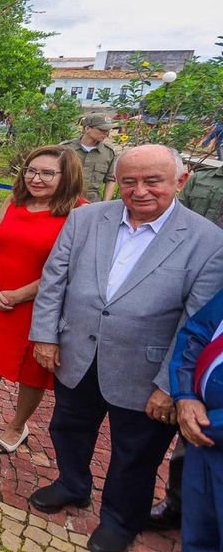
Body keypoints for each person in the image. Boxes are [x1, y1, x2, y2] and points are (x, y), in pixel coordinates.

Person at [28, 144, 223, 552]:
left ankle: (120, 519)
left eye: (153, 181)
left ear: (180, 181)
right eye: (129, 181)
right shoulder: (86, 218)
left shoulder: (208, 241)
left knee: (135, 453)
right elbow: (54, 279)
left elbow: (197, 322)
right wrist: (45, 335)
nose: (140, 191)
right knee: (68, 427)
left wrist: (172, 384)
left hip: (146, 371)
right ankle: (73, 483)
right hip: (77, 354)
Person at [0, 145, 85, 452]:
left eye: (47, 173)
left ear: (66, 176)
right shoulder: (15, 200)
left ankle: (18, 425)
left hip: (39, 304)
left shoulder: (79, 212)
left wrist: (19, 294)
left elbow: (70, 268)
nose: (36, 178)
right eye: (31, 170)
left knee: (33, 368)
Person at [147, 160, 223, 529]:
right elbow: (198, 328)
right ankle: (178, 504)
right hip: (202, 404)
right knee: (191, 462)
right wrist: (183, 392)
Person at [169, 287, 223, 551]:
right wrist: (186, 395)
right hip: (202, 443)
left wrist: (208, 422)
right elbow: (197, 332)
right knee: (198, 536)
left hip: (208, 429)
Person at [62, 113, 117, 202]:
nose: (106, 134)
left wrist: (105, 203)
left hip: (92, 203)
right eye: (102, 130)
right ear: (87, 129)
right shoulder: (65, 148)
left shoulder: (108, 153)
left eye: (108, 130)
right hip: (65, 200)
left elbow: (110, 180)